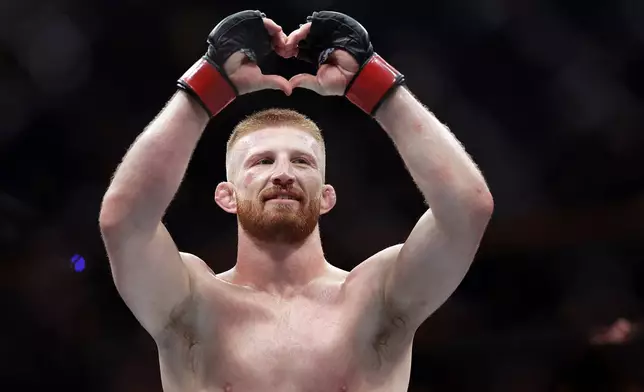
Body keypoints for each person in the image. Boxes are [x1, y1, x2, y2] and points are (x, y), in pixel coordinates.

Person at [99, 10, 493, 392]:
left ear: (326, 197)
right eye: (262, 161)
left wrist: (376, 85)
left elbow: (467, 209)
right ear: (226, 195)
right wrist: (206, 87)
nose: (283, 173)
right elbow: (123, 221)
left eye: (301, 161)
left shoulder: (375, 297)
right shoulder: (191, 299)